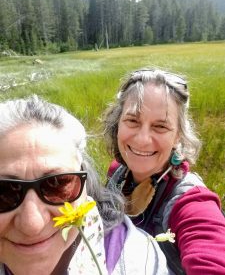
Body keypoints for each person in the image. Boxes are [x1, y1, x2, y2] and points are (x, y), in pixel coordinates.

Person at [0, 95, 170, 275]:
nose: (32, 224)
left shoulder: (139, 261)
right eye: (3, 192)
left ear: (86, 183)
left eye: (56, 184)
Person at [103, 67, 225, 275]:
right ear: (118, 123)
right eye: (132, 121)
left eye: (160, 127)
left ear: (178, 135)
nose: (142, 139)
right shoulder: (117, 174)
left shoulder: (192, 203)